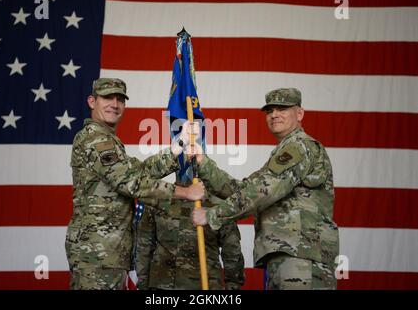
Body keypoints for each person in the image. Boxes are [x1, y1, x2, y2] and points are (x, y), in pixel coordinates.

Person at [192, 88, 339, 290]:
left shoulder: (300, 146)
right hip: (288, 256)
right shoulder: (283, 151)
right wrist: (203, 163)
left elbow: (262, 191)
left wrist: (212, 215)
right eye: (270, 111)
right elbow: (243, 189)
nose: (274, 115)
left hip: (302, 258)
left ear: (299, 113)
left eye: (282, 109)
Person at [65, 78, 205, 290]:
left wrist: (179, 145)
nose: (114, 104)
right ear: (92, 101)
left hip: (107, 251)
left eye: (120, 99)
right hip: (97, 252)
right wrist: (186, 193)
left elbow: (138, 172)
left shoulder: (108, 139)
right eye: (107, 97)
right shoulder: (95, 138)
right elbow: (129, 182)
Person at [135, 190, 245, 290]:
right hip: (162, 284)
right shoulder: (157, 200)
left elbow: (231, 248)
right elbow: (144, 245)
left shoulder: (221, 205)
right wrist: (143, 283)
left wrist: (233, 284)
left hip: (205, 284)